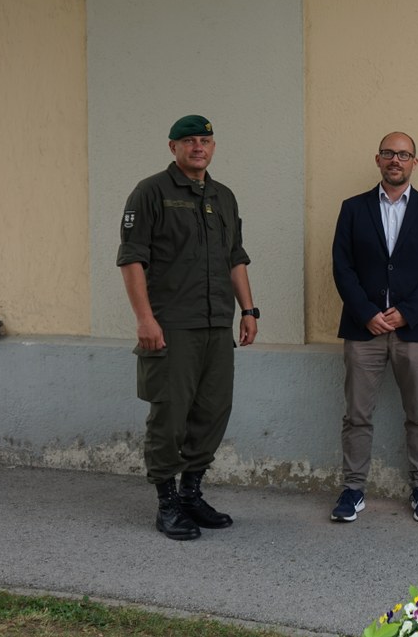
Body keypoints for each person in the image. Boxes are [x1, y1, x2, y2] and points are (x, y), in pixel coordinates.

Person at [117, 114, 258, 541]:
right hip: (171, 325)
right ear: (172, 147)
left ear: (213, 147)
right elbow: (131, 259)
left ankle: (192, 492)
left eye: (206, 140)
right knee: (170, 415)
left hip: (217, 323)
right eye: (189, 141)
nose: (199, 147)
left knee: (213, 411)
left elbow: (236, 257)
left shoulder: (224, 196)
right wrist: (145, 319)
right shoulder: (150, 193)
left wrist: (249, 311)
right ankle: (166, 502)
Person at [330, 131, 418, 523]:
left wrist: (407, 312)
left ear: (415, 162)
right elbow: (342, 266)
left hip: (413, 329)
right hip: (364, 328)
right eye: (388, 153)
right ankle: (352, 489)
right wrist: (367, 312)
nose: (395, 160)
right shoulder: (352, 208)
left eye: (403, 154)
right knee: (357, 414)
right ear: (377, 159)